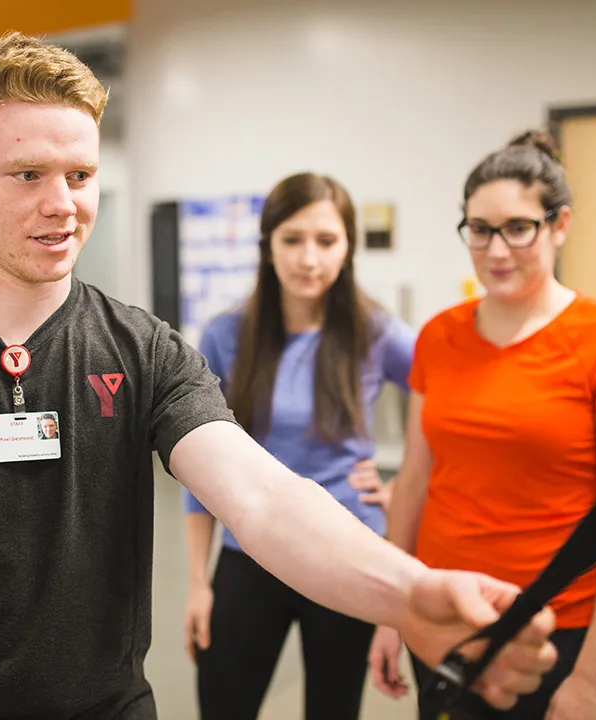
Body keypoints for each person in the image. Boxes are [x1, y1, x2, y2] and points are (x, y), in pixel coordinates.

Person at [0, 32, 558, 720]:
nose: (62, 205)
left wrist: (410, 591)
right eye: (28, 173)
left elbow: (261, 499)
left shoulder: (144, 349)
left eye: (81, 174)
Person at [369, 131, 596, 720]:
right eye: (479, 229)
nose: (496, 249)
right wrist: (392, 610)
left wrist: (594, 675)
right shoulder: (439, 336)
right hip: (445, 617)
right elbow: (415, 480)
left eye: (518, 227)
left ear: (559, 226)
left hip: (559, 631)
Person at [181, 172, 414, 719]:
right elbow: (201, 467)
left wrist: (403, 487)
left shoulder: (375, 330)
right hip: (249, 553)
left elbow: (452, 396)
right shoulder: (225, 334)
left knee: (333, 708)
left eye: (326, 241)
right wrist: (198, 583)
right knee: (223, 704)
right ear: (268, 246)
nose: (309, 258)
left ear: (348, 247)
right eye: (292, 239)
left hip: (345, 548)